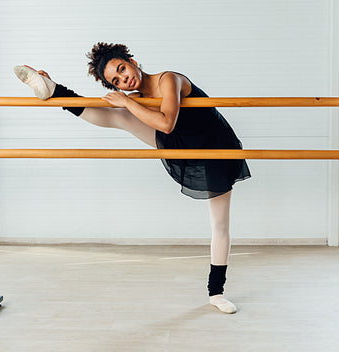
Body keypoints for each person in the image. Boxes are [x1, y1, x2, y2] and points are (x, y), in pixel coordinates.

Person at [13, 42, 251, 314]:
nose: (124, 79)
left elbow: (166, 123)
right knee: (121, 117)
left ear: (133, 61)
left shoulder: (168, 80)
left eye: (122, 69)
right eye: (116, 81)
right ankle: (53, 90)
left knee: (219, 224)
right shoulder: (136, 96)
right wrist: (125, 103)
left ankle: (216, 292)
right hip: (181, 143)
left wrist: (125, 101)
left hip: (215, 147)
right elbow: (136, 117)